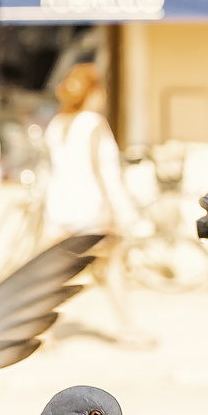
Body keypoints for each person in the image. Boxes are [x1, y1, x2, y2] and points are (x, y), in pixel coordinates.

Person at [43, 63, 154, 348]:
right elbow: (102, 172)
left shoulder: (57, 124)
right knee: (113, 265)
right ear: (93, 91)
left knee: (55, 274)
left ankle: (42, 332)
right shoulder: (92, 123)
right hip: (90, 208)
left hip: (60, 208)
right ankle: (128, 329)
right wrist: (115, 210)